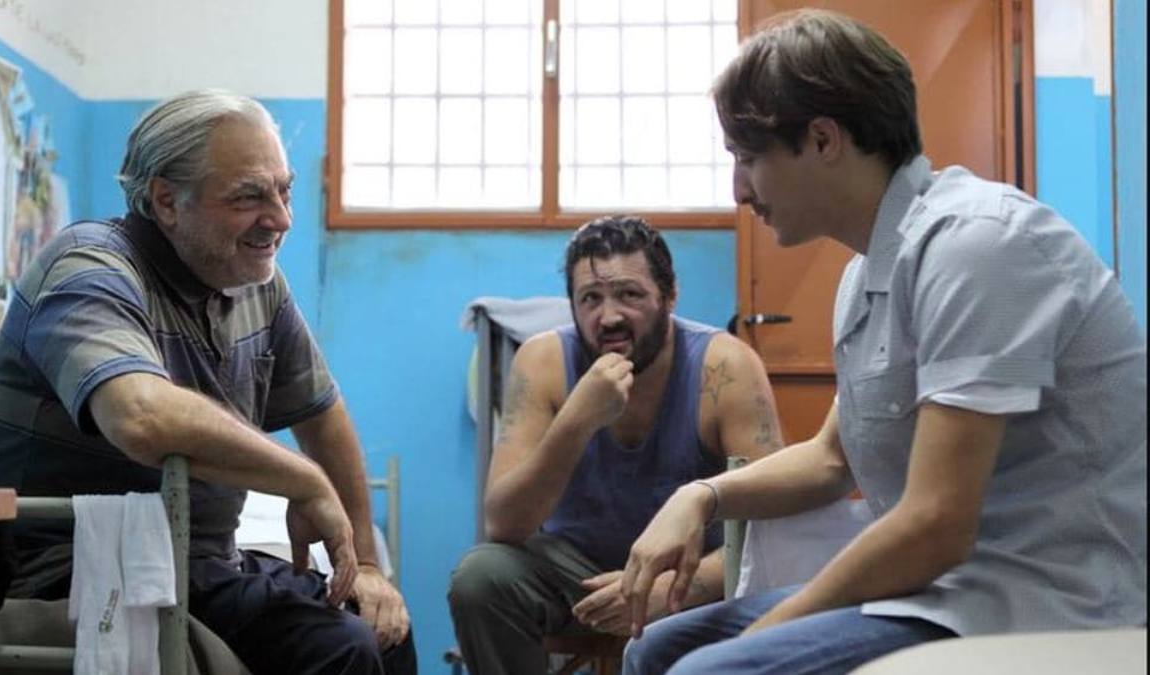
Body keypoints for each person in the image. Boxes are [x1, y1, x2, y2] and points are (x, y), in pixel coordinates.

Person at [617, 9, 1147, 675]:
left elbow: (935, 524)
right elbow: (829, 459)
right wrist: (700, 496)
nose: (739, 190)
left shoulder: (978, 246)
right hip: (936, 594)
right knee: (658, 648)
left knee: (709, 670)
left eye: (749, 159)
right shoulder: (871, 275)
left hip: (1045, 601)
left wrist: (769, 631)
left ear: (822, 139)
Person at [0, 89, 416, 675]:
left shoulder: (255, 285)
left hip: (197, 562)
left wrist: (370, 567)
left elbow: (321, 415)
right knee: (340, 647)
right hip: (73, 567)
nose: (280, 219)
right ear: (166, 201)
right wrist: (303, 480)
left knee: (384, 628)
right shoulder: (88, 268)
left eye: (284, 191)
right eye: (249, 196)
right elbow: (142, 417)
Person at [447, 215, 785, 674]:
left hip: (688, 577)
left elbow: (769, 529)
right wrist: (576, 420)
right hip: (577, 574)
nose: (609, 318)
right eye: (590, 299)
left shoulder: (725, 367)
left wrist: (674, 588)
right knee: (481, 577)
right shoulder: (543, 361)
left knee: (759, 587)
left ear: (669, 296)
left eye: (630, 294)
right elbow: (504, 524)